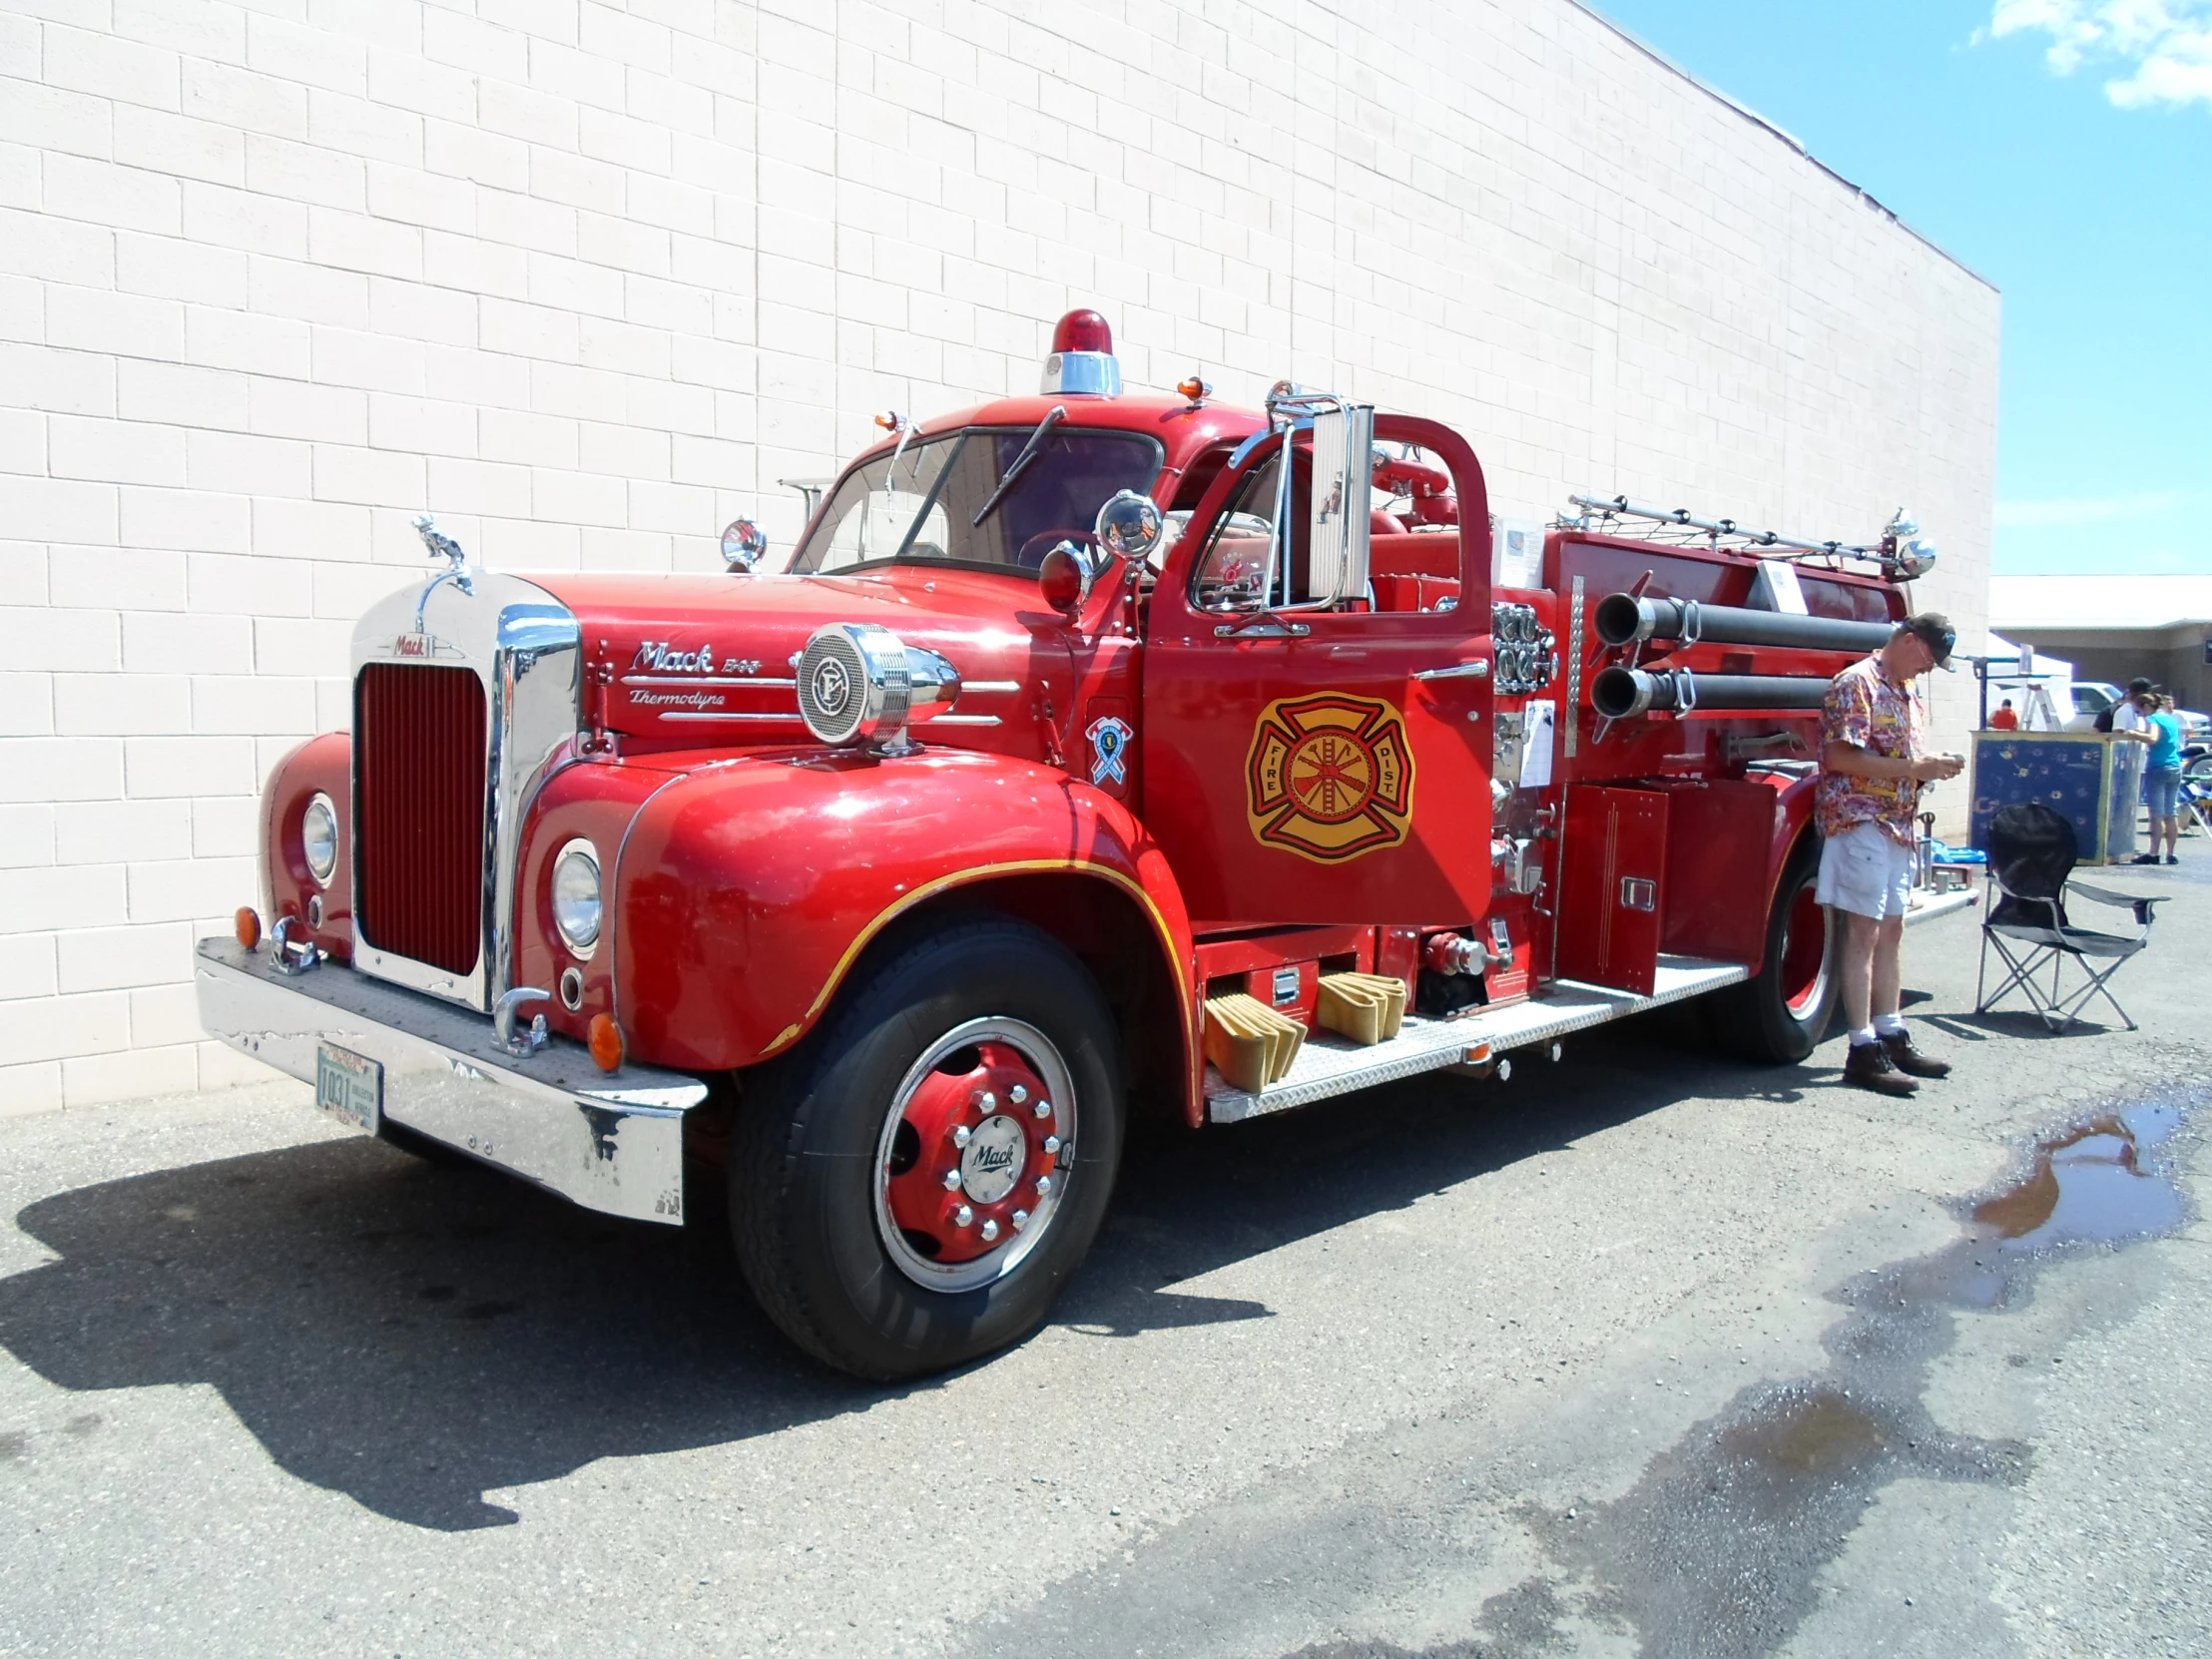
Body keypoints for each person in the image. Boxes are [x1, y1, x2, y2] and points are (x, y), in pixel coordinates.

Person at [1815, 612, 1964, 1096]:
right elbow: (1839, 756)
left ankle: (1890, 1031)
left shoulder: (1905, 690)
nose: (1928, 669)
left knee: (1892, 928)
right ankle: (1861, 1048)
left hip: (1896, 823)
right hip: (1860, 819)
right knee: (1864, 930)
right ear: (1908, 640)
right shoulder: (1856, 683)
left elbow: (1898, 756)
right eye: (1927, 657)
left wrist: (1927, 768)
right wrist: (1916, 767)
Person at [2107, 677, 2153, 861]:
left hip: (2138, 765)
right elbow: (2118, 735)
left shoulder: (2140, 714)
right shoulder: (2124, 712)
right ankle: (2113, 847)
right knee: (2120, 806)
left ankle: (2125, 845)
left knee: (2132, 807)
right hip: (2126, 765)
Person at [2137, 692, 2185, 864]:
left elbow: (2152, 738)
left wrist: (2134, 734)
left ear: (2146, 707)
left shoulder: (2153, 720)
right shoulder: (2171, 719)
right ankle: (2171, 853)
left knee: (2156, 813)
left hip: (2158, 766)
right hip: (2175, 765)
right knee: (2170, 812)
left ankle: (2153, 853)